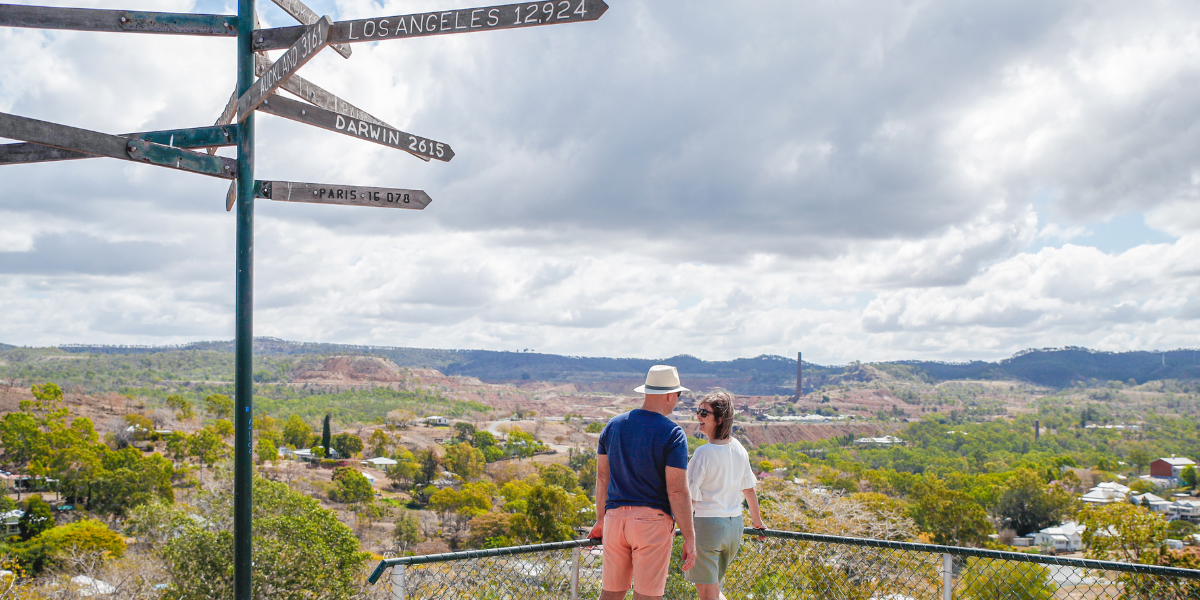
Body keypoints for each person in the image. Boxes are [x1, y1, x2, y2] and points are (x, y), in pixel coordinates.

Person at [589, 364, 697, 600]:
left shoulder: (613, 426)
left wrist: (600, 521)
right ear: (670, 395)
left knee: (610, 593)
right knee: (647, 596)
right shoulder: (673, 433)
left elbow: (602, 477)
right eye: (678, 395)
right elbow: (677, 490)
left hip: (615, 520)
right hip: (651, 522)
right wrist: (689, 538)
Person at [685, 390, 764, 600]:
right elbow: (749, 489)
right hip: (734, 526)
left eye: (704, 413)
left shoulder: (704, 453)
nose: (698, 416)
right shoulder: (739, 448)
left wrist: (680, 528)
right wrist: (757, 523)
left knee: (707, 592)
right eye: (698, 411)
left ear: (719, 420)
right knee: (714, 588)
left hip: (707, 526)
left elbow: (688, 497)